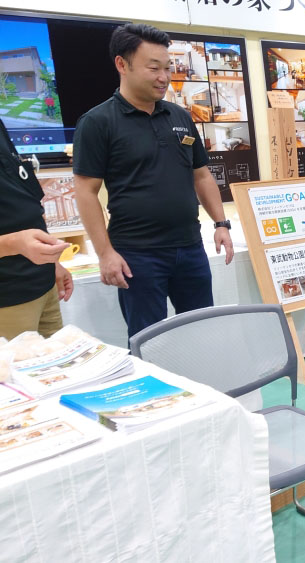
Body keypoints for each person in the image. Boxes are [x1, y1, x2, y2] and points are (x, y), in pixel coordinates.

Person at [73, 24, 234, 338]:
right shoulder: (97, 122)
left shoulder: (180, 117)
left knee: (203, 331)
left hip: (190, 247)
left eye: (167, 68)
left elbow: (201, 174)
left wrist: (221, 223)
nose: (164, 77)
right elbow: (86, 191)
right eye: (153, 68)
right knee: (150, 341)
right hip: (137, 255)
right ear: (122, 64)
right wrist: (105, 253)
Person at [0, 119, 74, 340]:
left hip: (43, 283)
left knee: (56, 369)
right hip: (7, 297)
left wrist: (52, 262)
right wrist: (16, 244)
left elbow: (25, 198)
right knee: (13, 373)